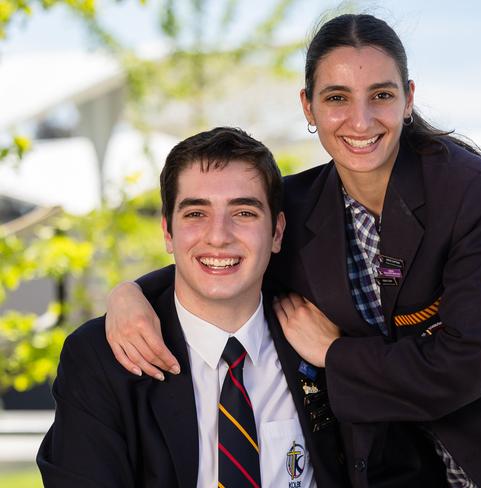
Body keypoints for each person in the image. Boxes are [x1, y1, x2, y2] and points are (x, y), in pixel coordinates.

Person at [104, 13, 481, 488]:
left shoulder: (465, 187)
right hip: (425, 465)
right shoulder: (297, 204)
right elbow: (223, 256)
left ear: (408, 98)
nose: (360, 121)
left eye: (381, 96)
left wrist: (335, 355)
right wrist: (130, 295)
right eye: (337, 98)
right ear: (308, 105)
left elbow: (468, 362)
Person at [37, 127, 350, 488]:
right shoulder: (100, 359)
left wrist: (339, 355)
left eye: (244, 213)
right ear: (168, 233)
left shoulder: (324, 337)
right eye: (196, 214)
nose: (218, 236)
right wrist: (128, 290)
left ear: (277, 232)